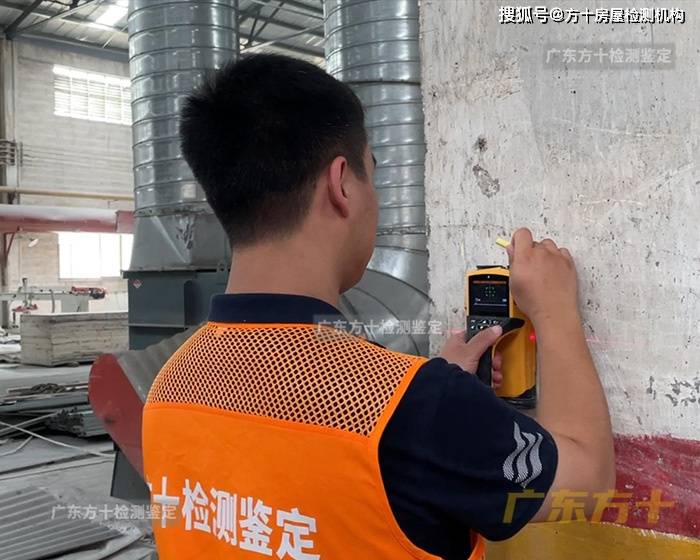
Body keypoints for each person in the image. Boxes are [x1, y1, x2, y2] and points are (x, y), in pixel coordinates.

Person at [142, 54, 615, 560]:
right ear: (341, 183)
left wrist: (437, 393)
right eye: (373, 172)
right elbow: (587, 481)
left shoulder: (166, 388)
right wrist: (555, 310)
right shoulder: (413, 409)